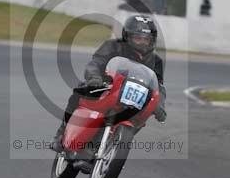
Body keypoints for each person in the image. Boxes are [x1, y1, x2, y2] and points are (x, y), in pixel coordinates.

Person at [51, 15, 167, 152]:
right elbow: (95, 63)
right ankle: (61, 133)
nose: (142, 43)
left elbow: (159, 86)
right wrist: (94, 78)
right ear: (127, 36)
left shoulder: (156, 61)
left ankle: (117, 145)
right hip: (105, 86)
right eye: (138, 38)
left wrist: (160, 105)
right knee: (78, 92)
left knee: (144, 116)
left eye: (146, 39)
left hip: (135, 98)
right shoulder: (112, 46)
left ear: (152, 41)